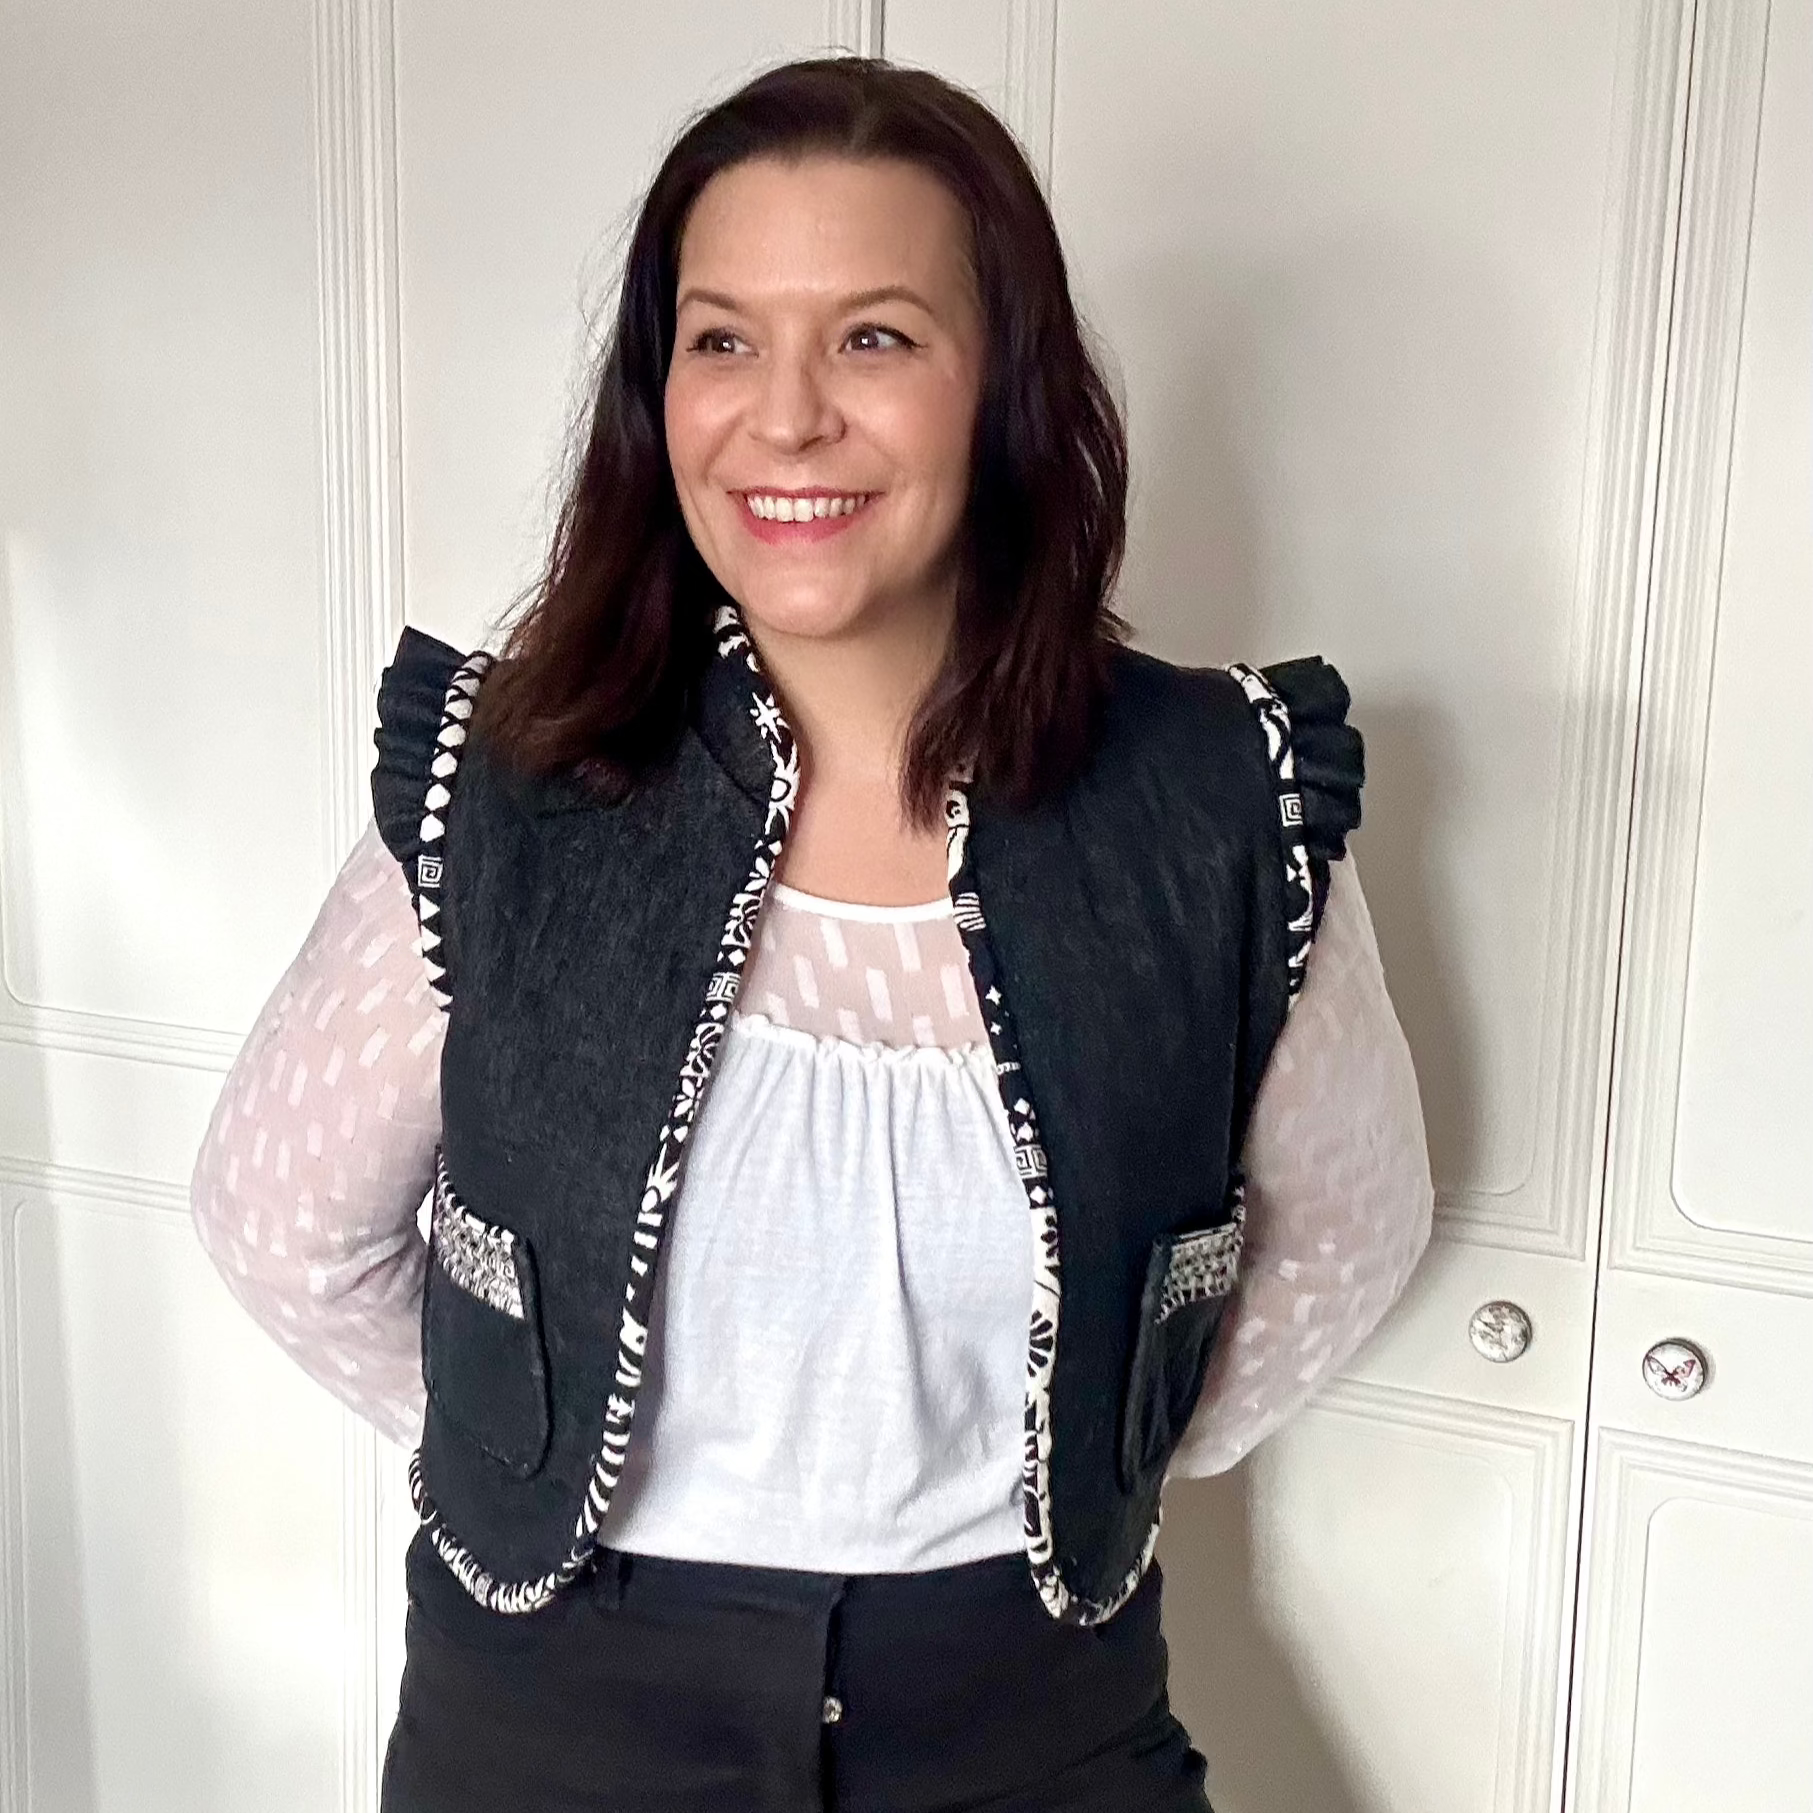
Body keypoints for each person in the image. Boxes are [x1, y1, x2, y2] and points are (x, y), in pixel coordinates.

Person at [190, 53, 1433, 1813]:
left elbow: (1350, 1235)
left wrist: (1095, 1462)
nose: (784, 418)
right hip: (559, 1718)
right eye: (721, 339)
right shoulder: (516, 788)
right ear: (659, 387)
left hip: (1033, 1719)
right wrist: (544, 1462)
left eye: (874, 339)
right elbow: (279, 1221)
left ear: (1004, 386)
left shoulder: (1216, 805)